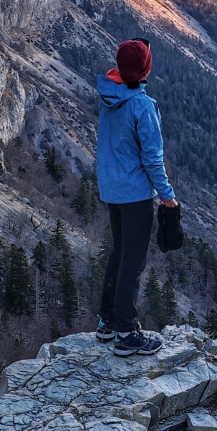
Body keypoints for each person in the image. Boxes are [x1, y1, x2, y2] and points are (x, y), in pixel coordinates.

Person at [95, 37, 179, 355]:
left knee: (119, 253)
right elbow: (152, 158)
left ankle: (107, 322)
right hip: (134, 193)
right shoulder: (142, 105)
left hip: (111, 189)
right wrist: (167, 197)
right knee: (134, 260)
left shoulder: (110, 97)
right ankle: (127, 333)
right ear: (145, 69)